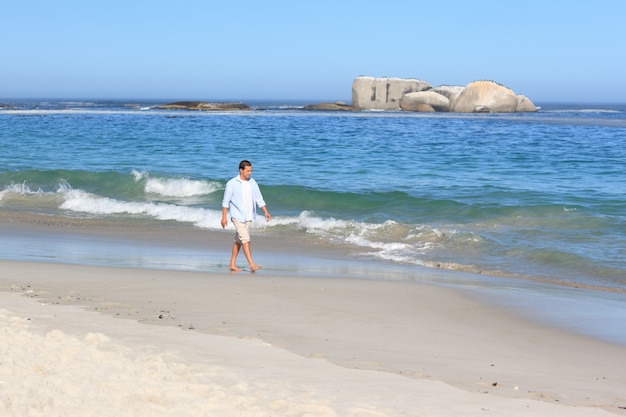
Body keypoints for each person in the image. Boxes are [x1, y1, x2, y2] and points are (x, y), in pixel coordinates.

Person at [221, 160, 271, 272]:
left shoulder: (252, 182)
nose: (250, 173)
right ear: (241, 170)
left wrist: (265, 211)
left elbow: (259, 198)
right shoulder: (232, 183)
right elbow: (225, 202)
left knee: (238, 241)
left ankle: (232, 264)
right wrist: (224, 217)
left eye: (251, 171)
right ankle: (252, 264)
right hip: (237, 216)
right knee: (246, 239)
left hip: (249, 216)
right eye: (248, 171)